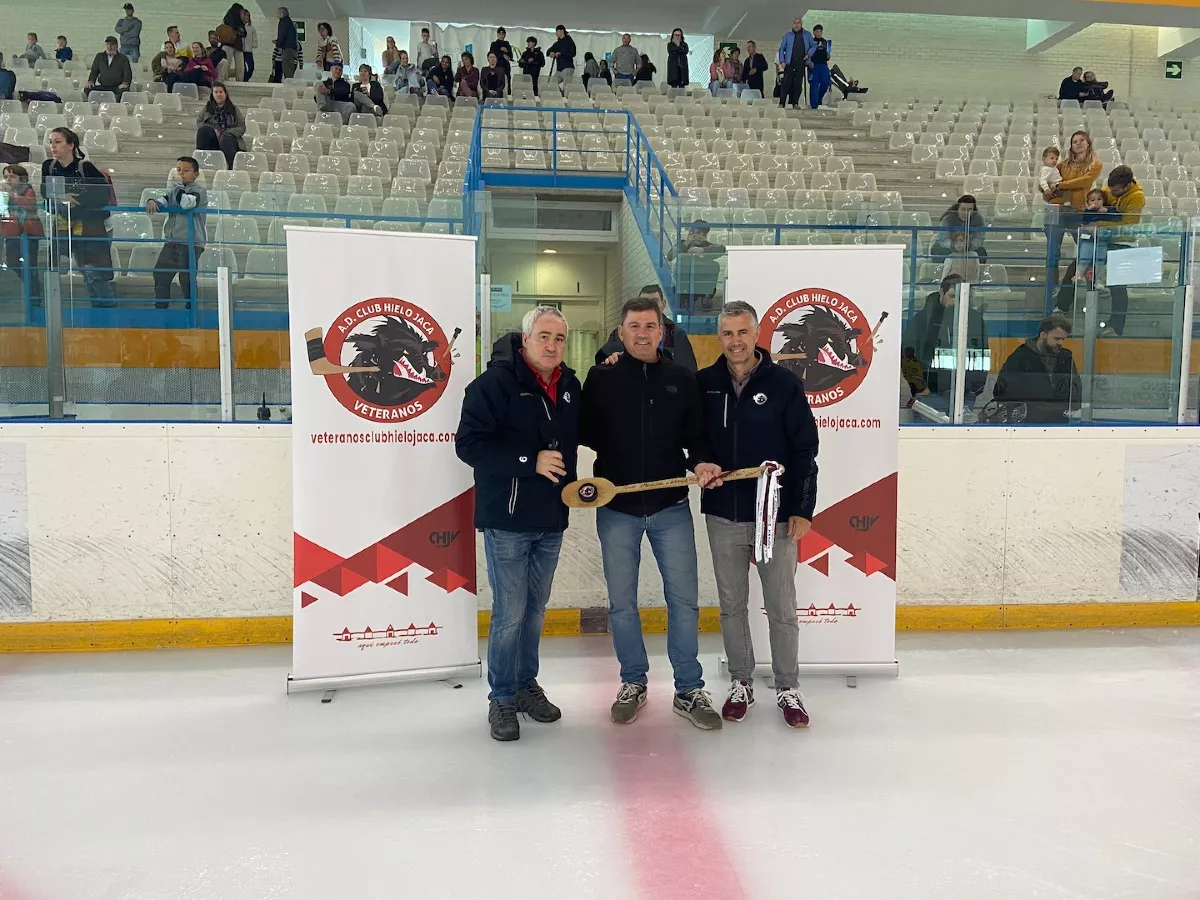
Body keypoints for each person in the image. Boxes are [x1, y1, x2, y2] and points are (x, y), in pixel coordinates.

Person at [580, 297, 723, 730]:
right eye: (634, 326)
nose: (642, 333)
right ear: (620, 333)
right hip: (617, 507)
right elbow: (581, 431)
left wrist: (700, 463)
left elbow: (696, 439)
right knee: (621, 603)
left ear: (662, 332)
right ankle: (633, 682)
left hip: (671, 507)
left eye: (650, 325)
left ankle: (688, 688)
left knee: (683, 601)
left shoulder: (682, 379)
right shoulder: (601, 378)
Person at [456, 306, 582, 742]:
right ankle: (502, 697)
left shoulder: (569, 385)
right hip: (508, 520)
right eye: (544, 336)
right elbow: (469, 445)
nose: (552, 345)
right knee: (510, 612)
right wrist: (529, 462)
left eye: (560, 339)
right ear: (525, 339)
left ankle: (526, 686)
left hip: (552, 518)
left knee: (535, 610)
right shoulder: (492, 385)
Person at [696, 301, 818, 728]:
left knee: (781, 605)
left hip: (776, 517)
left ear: (757, 333)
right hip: (723, 514)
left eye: (743, 332)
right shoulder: (705, 383)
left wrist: (802, 508)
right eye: (727, 333)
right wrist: (700, 463)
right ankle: (741, 682)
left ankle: (787, 686)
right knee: (732, 606)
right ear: (720, 337)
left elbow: (805, 450)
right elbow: (694, 440)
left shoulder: (784, 384)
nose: (735, 341)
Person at [1054, 165, 1144, 335]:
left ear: (1127, 186)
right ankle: (1061, 308)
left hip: (1121, 241)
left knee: (1117, 284)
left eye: (1115, 191)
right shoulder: (1108, 190)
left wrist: (1097, 225)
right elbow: (1097, 207)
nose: (1110, 192)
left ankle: (1115, 327)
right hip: (1099, 238)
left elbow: (1128, 224)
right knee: (1075, 268)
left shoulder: (1137, 198)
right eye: (1109, 189)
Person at [41, 127, 115, 307]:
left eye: (58, 142)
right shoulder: (48, 166)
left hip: (90, 226)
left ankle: (106, 310)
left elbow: (100, 195)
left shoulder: (85, 167)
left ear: (70, 145)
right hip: (63, 224)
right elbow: (45, 192)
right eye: (51, 142)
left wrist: (77, 200)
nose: (53, 146)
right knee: (62, 266)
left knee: (94, 272)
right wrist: (62, 197)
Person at [901, 273, 989, 398]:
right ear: (941, 292)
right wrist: (920, 388)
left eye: (960, 297)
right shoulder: (923, 319)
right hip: (929, 395)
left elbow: (981, 356)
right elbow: (907, 355)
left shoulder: (975, 320)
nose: (956, 302)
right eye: (952, 296)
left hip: (965, 395)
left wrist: (973, 389)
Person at [145, 156, 207, 309]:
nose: (181, 174)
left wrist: (178, 186)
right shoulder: (174, 191)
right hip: (172, 242)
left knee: (186, 279)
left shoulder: (199, 190)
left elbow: (187, 203)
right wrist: (151, 200)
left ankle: (191, 310)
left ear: (196, 174)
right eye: (179, 170)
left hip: (190, 243)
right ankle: (161, 308)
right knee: (160, 274)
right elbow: (162, 201)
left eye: (186, 170)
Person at [995, 316, 1080, 424]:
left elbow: (1075, 387)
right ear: (1043, 335)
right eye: (1056, 338)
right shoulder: (1020, 357)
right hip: (1028, 424)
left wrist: (1070, 410)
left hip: (1059, 422)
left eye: (1063, 339)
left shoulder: (1065, 357)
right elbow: (1001, 391)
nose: (1061, 343)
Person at [595, 283, 698, 372]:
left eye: (654, 301)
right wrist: (612, 359)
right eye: (644, 301)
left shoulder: (676, 334)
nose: (649, 306)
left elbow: (688, 370)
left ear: (663, 304)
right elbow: (603, 359)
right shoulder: (624, 331)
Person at [1044, 130, 1101, 288]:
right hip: (1057, 210)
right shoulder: (1062, 165)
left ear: (1088, 143)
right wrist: (1046, 191)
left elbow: (1084, 181)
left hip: (1078, 211)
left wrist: (1060, 185)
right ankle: (1051, 288)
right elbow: (1046, 182)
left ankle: (1091, 285)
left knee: (1087, 248)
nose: (1078, 143)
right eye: (1074, 141)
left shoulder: (1095, 164)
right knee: (1052, 252)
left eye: (1082, 140)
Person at [2, 164, 44, 304]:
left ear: (22, 179)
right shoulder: (3, 192)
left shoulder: (28, 190)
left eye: (12, 176)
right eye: (6, 176)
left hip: (28, 233)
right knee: (13, 263)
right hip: (11, 232)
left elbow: (29, 204)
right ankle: (32, 285)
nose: (8, 179)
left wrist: (12, 195)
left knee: (30, 264)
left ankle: (35, 295)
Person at [196, 82, 245, 169]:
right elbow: (199, 122)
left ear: (225, 94)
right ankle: (201, 162)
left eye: (221, 92)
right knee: (203, 130)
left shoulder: (234, 109)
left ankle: (232, 167)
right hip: (213, 139)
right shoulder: (207, 109)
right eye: (216, 92)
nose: (218, 94)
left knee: (226, 137)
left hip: (229, 140)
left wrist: (225, 133)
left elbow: (242, 127)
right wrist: (213, 130)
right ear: (213, 94)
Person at [931, 195, 987, 263]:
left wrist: (969, 246)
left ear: (974, 210)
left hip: (969, 247)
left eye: (969, 210)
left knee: (981, 252)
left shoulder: (979, 219)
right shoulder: (947, 219)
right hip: (949, 247)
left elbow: (979, 238)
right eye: (963, 209)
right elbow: (943, 239)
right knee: (937, 250)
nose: (966, 213)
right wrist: (954, 246)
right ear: (957, 208)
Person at [776, 17, 814, 109]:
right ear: (792, 24)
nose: (796, 25)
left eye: (798, 23)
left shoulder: (807, 35)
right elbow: (782, 48)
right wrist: (782, 61)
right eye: (795, 23)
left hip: (801, 62)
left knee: (798, 84)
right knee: (785, 83)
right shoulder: (788, 35)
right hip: (789, 62)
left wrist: (808, 55)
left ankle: (795, 103)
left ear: (801, 24)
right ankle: (782, 103)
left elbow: (813, 46)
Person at [218, 4, 248, 81]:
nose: (242, 13)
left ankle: (238, 80)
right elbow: (236, 29)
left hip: (235, 44)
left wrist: (240, 27)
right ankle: (227, 80)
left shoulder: (238, 20)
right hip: (229, 44)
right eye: (241, 11)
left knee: (240, 66)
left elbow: (244, 33)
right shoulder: (229, 17)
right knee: (228, 64)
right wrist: (239, 30)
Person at [272, 7, 299, 82]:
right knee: (290, 69)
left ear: (282, 13)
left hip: (287, 49)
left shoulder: (283, 21)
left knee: (287, 71)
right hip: (293, 49)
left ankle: (290, 88)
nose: (276, 14)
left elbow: (282, 35)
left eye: (278, 12)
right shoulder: (289, 22)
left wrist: (278, 44)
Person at [809, 25, 831, 108]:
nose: (819, 33)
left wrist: (828, 56)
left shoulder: (825, 42)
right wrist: (809, 62)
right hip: (813, 65)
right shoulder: (810, 41)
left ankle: (818, 98)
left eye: (820, 31)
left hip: (823, 65)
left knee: (826, 82)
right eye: (817, 31)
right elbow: (807, 53)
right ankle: (814, 106)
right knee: (814, 85)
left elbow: (827, 55)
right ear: (814, 32)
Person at [547, 25, 576, 89]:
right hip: (559, 69)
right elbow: (549, 51)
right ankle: (560, 94)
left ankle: (565, 96)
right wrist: (551, 52)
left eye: (557, 31)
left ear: (562, 31)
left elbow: (573, 53)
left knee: (566, 86)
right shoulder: (557, 43)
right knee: (553, 84)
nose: (556, 33)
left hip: (567, 67)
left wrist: (561, 53)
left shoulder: (569, 41)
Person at [488, 27, 513, 92]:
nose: (501, 35)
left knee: (507, 82)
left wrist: (507, 52)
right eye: (500, 34)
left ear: (505, 34)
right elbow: (492, 53)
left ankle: (507, 95)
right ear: (497, 34)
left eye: (503, 34)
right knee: (496, 81)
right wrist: (503, 54)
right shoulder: (494, 44)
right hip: (497, 66)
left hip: (506, 66)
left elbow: (510, 56)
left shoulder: (507, 44)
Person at [241, 8, 257, 82]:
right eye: (245, 15)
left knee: (251, 68)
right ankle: (243, 80)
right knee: (242, 68)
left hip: (248, 51)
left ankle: (245, 80)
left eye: (248, 16)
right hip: (240, 51)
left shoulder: (252, 28)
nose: (246, 17)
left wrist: (253, 44)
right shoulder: (239, 27)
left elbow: (254, 39)